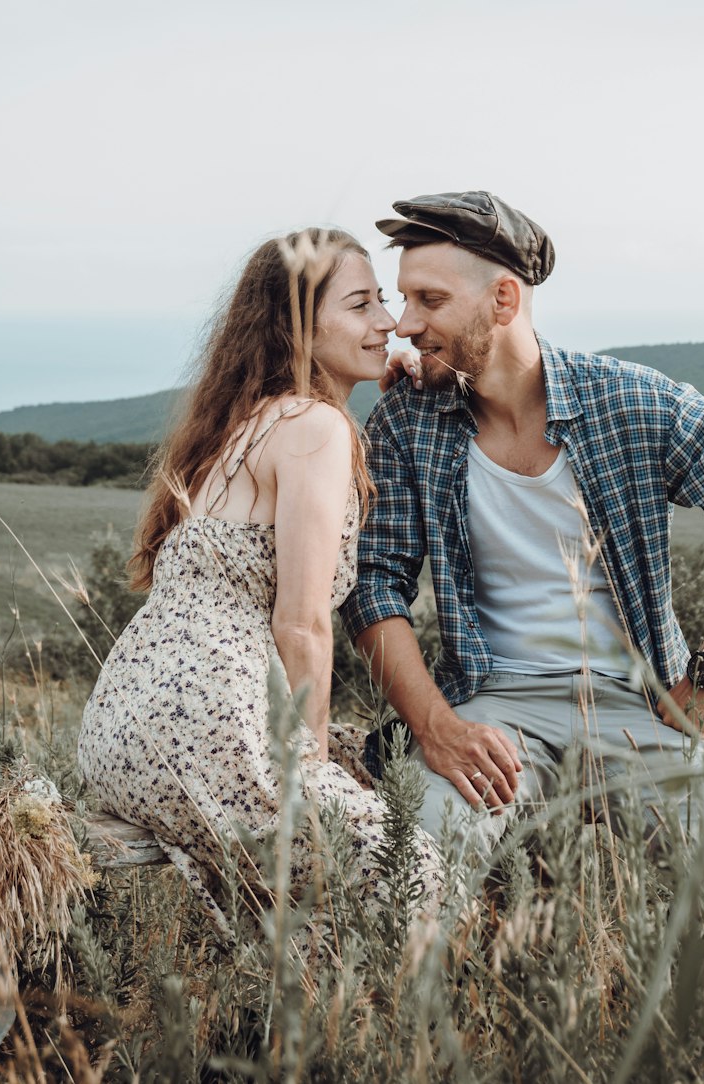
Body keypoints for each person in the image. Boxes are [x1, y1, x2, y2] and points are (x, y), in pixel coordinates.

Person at [339, 191, 704, 851]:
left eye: (430, 300)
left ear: (503, 301)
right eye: (405, 298)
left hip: (639, 705)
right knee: (418, 867)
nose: (404, 323)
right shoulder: (406, 419)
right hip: (490, 704)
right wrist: (434, 727)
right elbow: (372, 581)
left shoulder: (634, 402)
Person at [77, 228, 444, 924]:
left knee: (310, 867)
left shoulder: (241, 422)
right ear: (300, 325)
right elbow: (300, 623)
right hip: (208, 722)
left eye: (383, 302)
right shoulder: (314, 426)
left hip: (122, 725)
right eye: (362, 306)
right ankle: (384, 1030)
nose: (388, 323)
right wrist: (310, 761)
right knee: (406, 864)